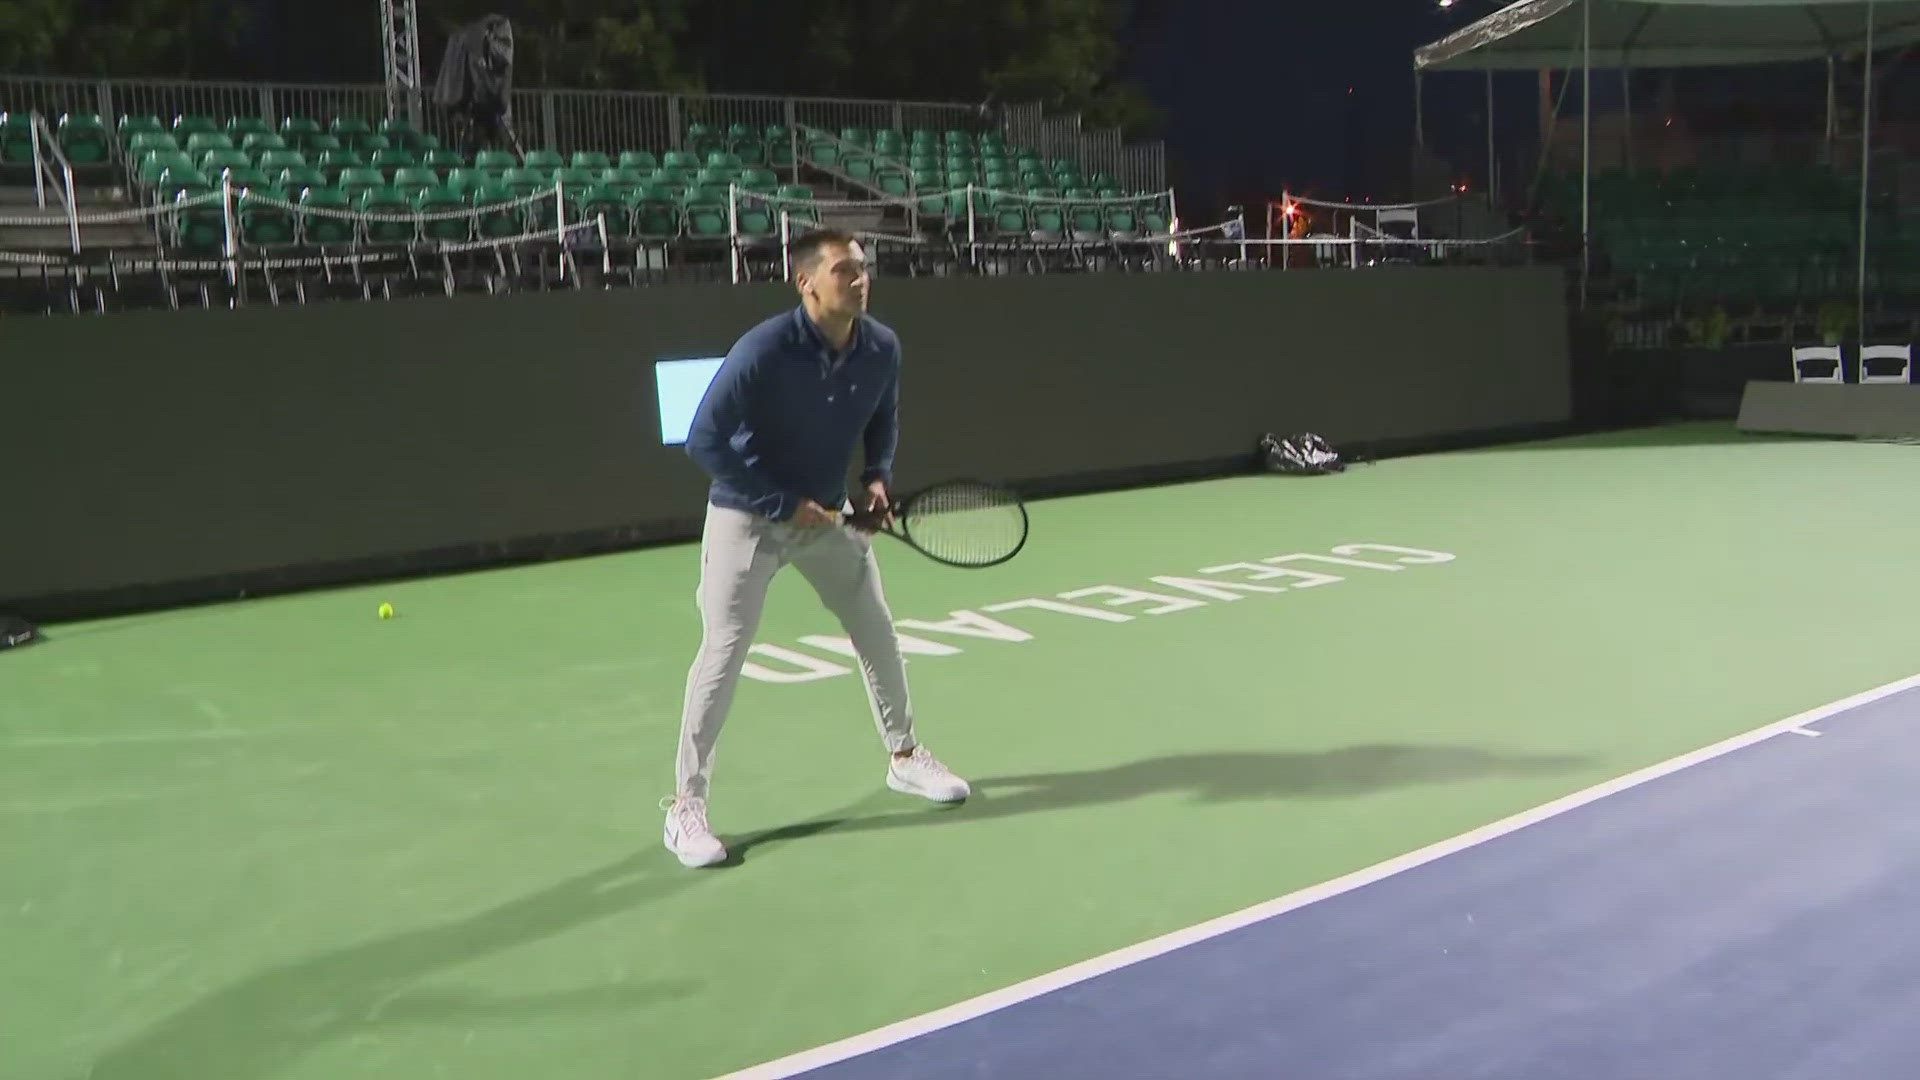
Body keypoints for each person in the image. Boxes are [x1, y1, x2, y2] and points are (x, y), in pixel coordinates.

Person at [663, 228, 970, 868]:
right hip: (745, 519)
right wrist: (780, 503)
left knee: (877, 631)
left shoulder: (881, 346)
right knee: (723, 651)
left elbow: (882, 415)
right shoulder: (765, 349)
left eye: (863, 268)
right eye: (844, 272)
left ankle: (906, 757)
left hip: (826, 518)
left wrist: (877, 476)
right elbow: (703, 440)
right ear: (806, 283)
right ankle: (686, 806)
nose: (860, 280)